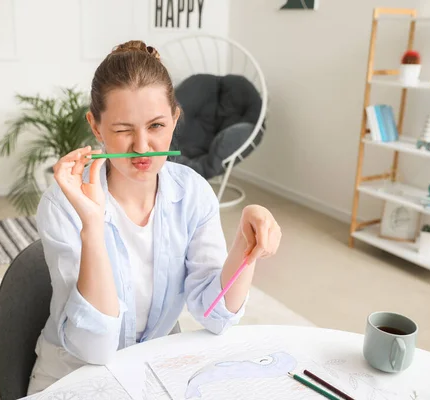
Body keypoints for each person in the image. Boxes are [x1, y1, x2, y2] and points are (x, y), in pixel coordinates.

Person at [27, 40, 282, 394]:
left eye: (157, 126)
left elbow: (215, 316)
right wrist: (92, 226)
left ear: (175, 120)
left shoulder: (192, 194)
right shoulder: (63, 205)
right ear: (96, 127)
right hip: (73, 374)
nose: (143, 146)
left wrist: (245, 244)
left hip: (151, 370)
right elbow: (95, 349)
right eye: (123, 130)